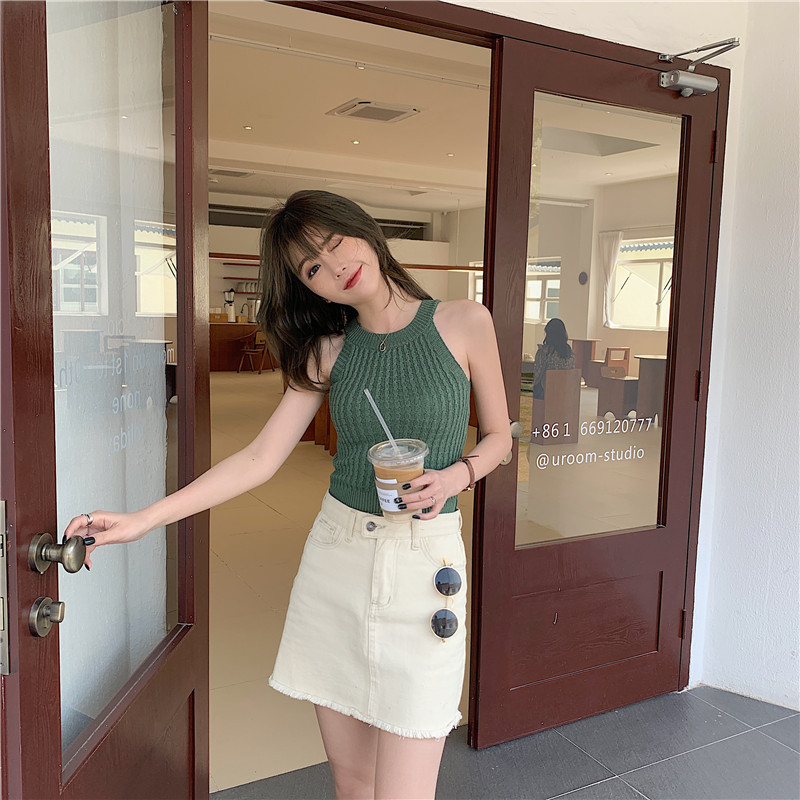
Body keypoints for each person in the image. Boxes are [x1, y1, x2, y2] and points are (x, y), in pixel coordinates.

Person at [63, 190, 511, 800]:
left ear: (365, 230)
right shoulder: (329, 351)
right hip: (339, 557)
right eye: (312, 267)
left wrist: (459, 475)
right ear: (309, 289)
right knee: (353, 782)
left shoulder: (464, 321)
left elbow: (500, 436)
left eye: (335, 243)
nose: (335, 266)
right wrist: (145, 519)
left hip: (425, 561)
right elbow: (259, 458)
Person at [531, 317, 575, 400]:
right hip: (566, 393)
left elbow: (537, 374)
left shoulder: (544, 351)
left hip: (547, 392)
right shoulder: (569, 352)